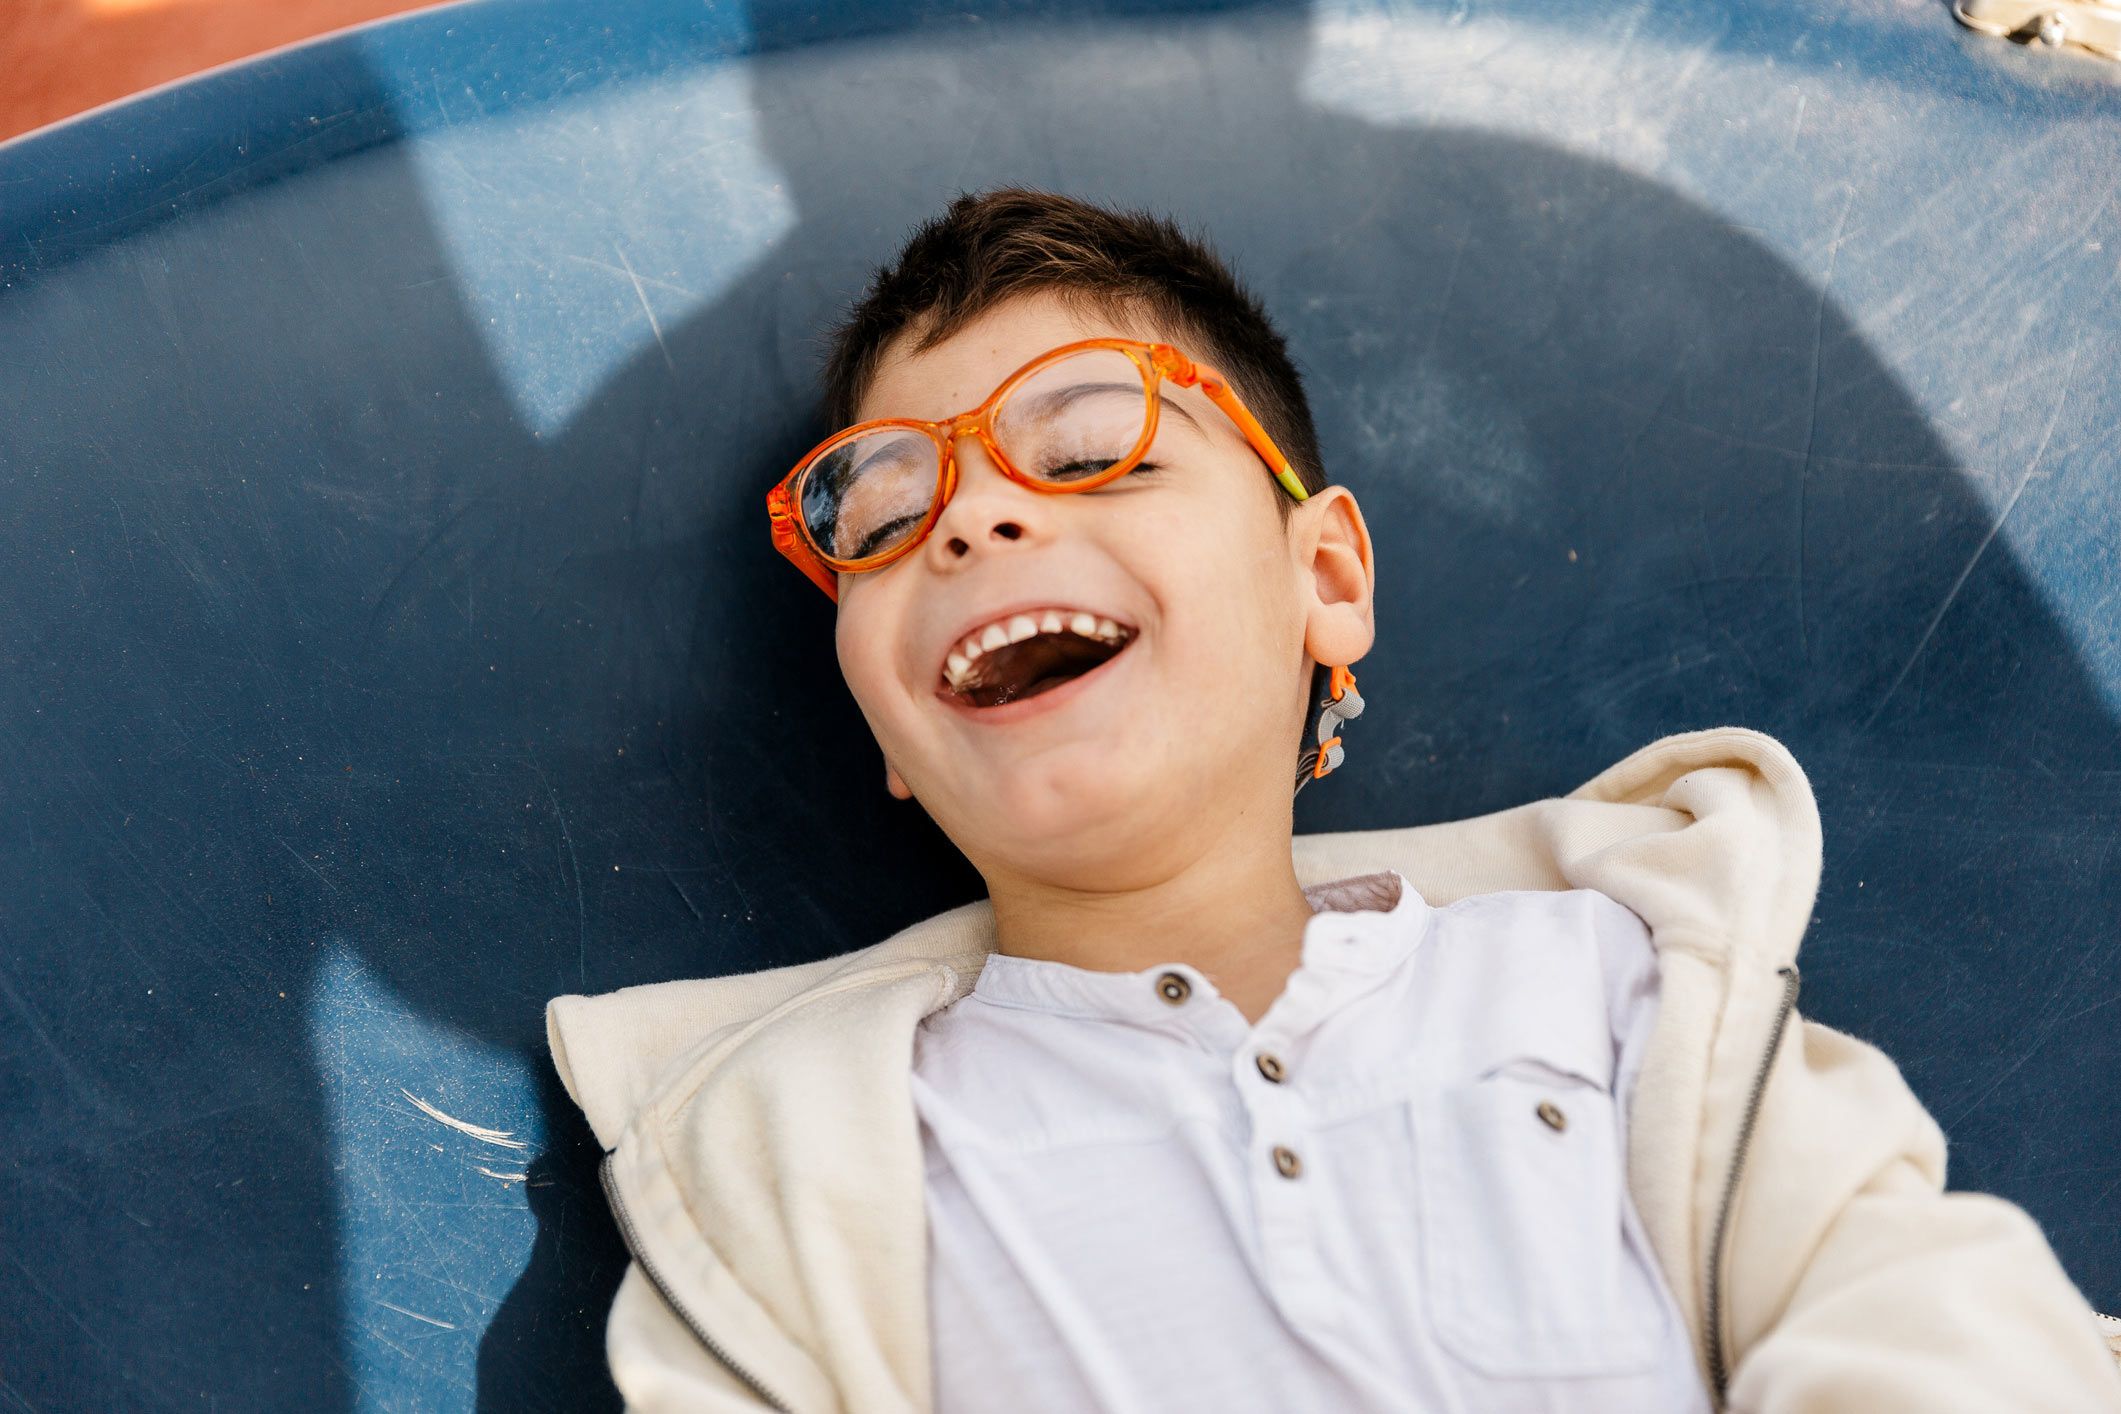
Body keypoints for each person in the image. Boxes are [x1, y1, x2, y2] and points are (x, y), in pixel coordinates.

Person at [546, 189, 2121, 1412]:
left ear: (1327, 577)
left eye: (1092, 448)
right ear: (885, 728)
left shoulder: (1622, 987)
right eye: (881, 519)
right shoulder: (798, 1163)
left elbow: (1946, 1329)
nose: (972, 525)